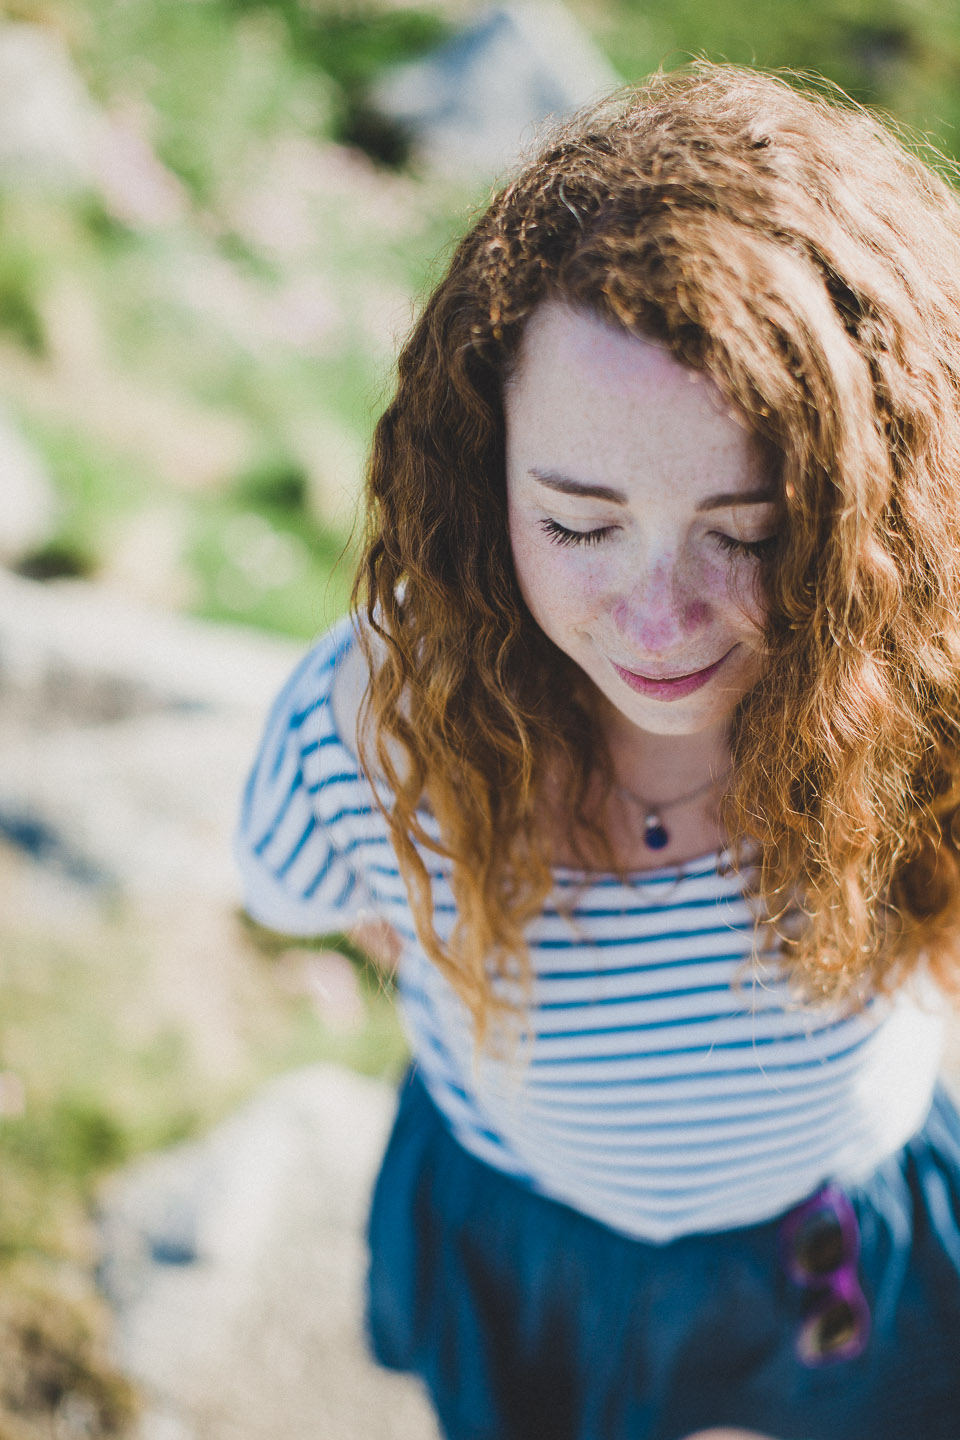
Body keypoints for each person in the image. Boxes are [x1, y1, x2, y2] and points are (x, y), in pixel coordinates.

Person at [235, 63, 960, 1440]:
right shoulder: (369, 727)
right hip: (535, 1245)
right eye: (578, 524)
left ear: (873, 516)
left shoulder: (923, 673)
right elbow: (309, 899)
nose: (661, 619)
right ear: (481, 468)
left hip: (829, 1235)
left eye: (746, 531)